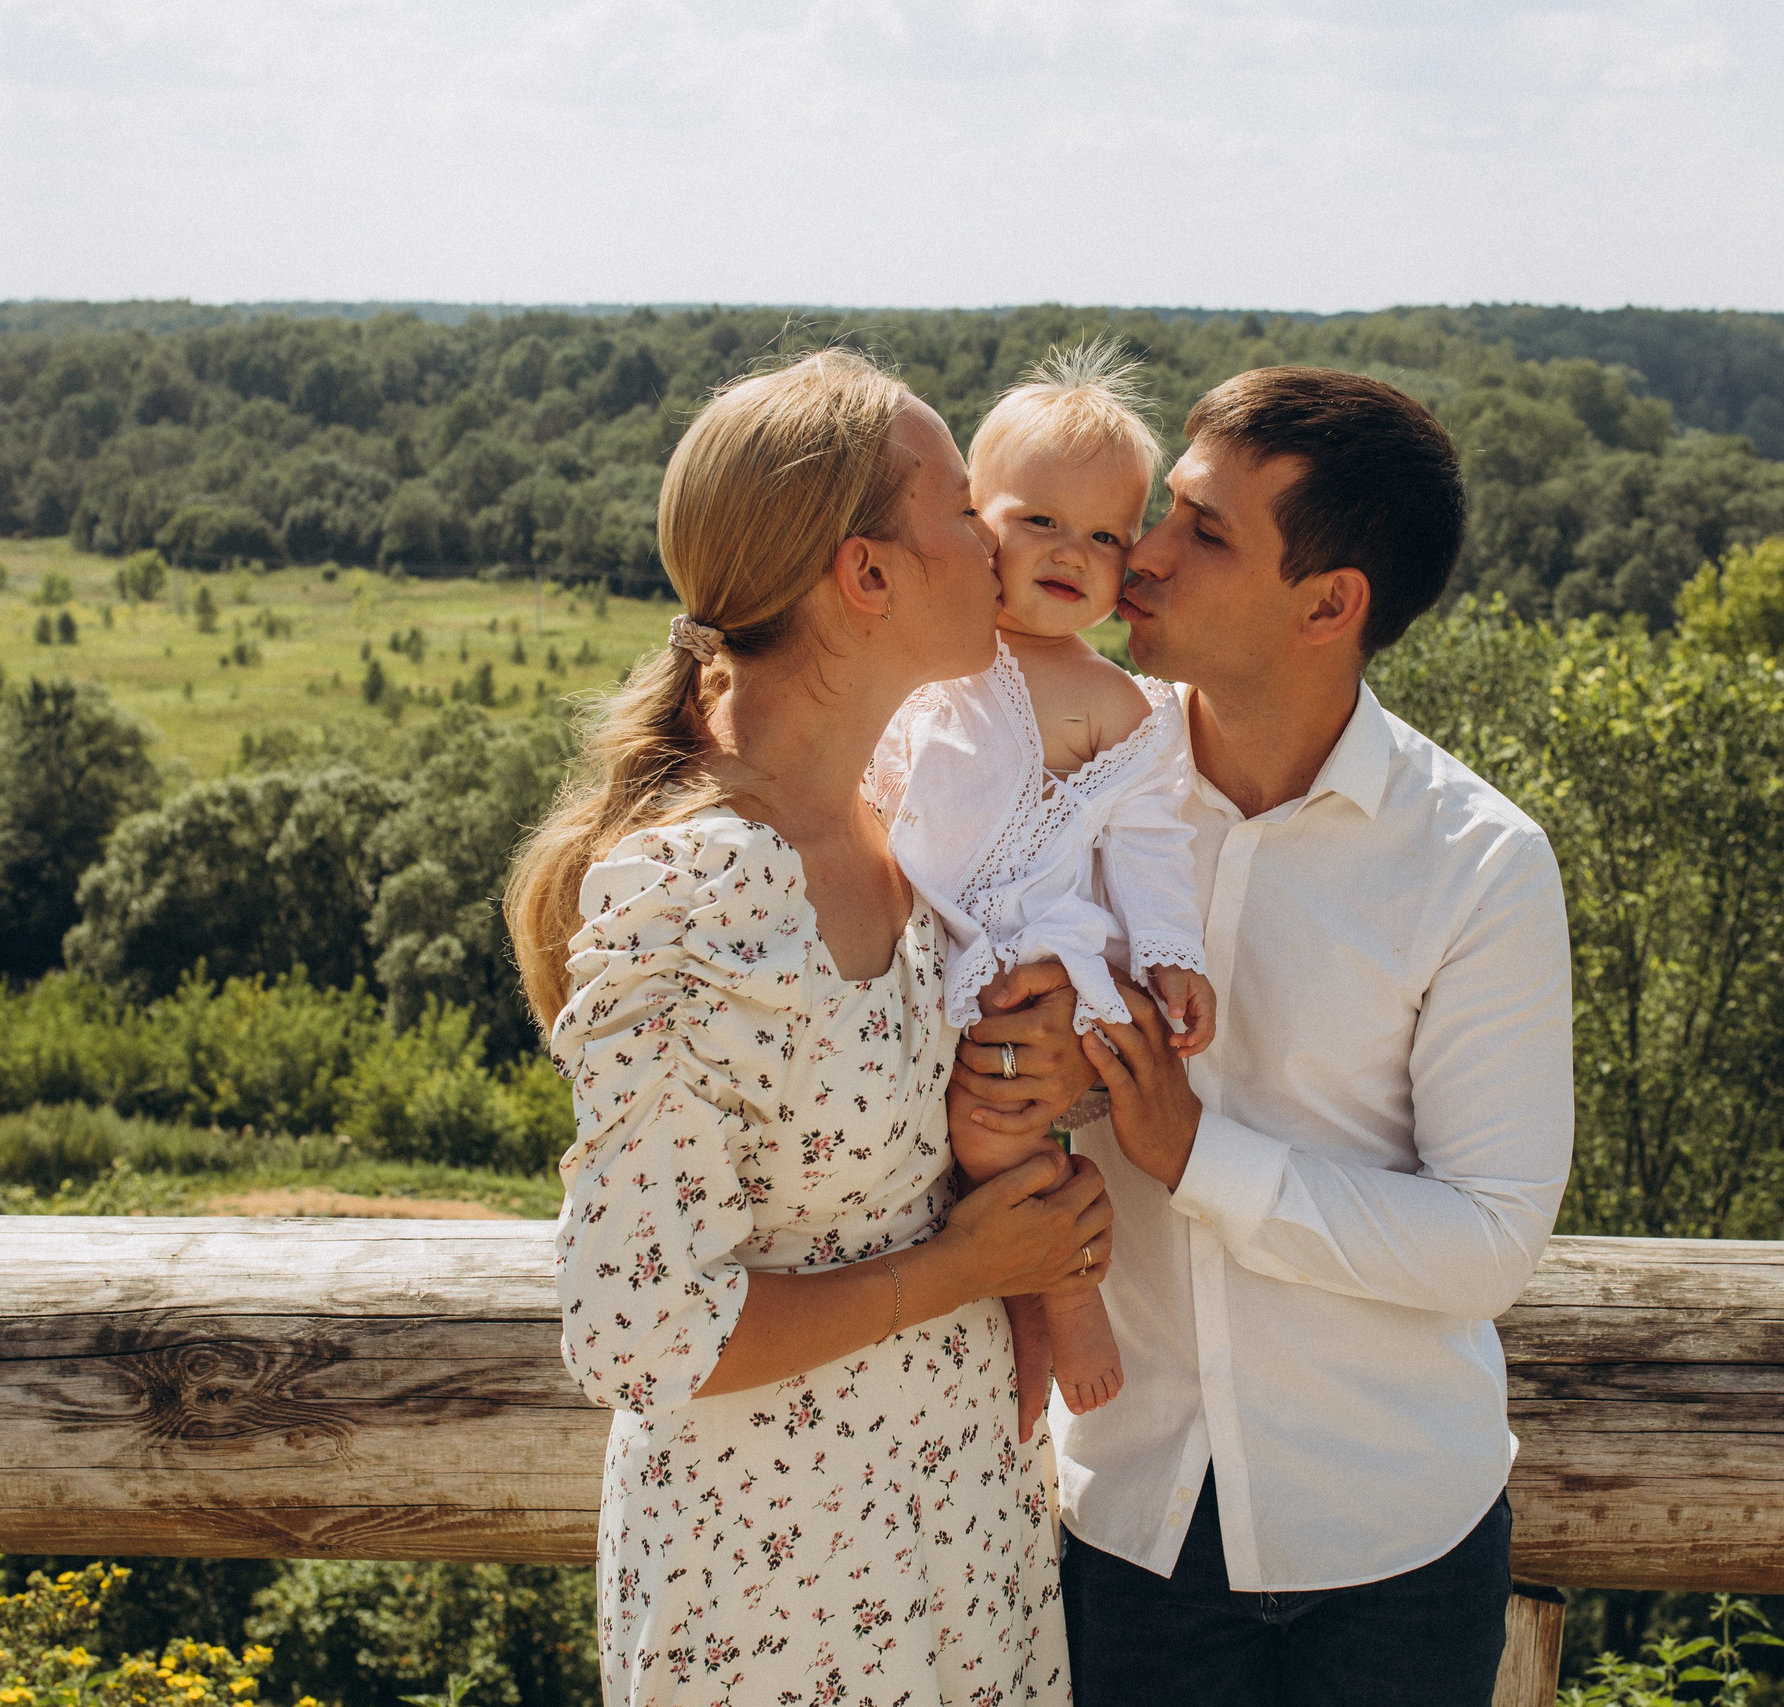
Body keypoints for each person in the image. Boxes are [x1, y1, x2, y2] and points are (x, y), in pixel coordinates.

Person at [506, 348, 1111, 1707]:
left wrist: (1050, 1083)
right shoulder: (699, 885)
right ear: (868, 573)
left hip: (959, 1542)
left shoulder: (908, 818)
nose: (997, 539)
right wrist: (966, 1268)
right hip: (782, 1599)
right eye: (966, 508)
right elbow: (639, 1331)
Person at [1051, 367, 1577, 1705]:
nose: (1142, 556)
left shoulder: (1479, 864)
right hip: (1120, 1526)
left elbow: (1491, 1238)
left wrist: (1196, 1155)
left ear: (1330, 602)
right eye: (1165, 508)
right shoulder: (1065, 794)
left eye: (1205, 531)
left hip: (1396, 1552)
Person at [871, 340, 1214, 1422]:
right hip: (916, 941)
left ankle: (1055, 1294)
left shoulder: (1118, 703)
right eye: (1040, 522)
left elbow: (1152, 840)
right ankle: (1013, 1273)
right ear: (975, 525)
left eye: (1107, 535)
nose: (1075, 552)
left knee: (995, 1126)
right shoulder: (934, 656)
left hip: (1026, 951)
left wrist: (1169, 951)